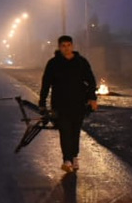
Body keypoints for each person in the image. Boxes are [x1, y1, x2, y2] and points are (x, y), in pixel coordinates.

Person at [38, 35, 97, 174]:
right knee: (64, 131)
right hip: (60, 104)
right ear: (59, 47)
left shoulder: (81, 62)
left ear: (73, 46)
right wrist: (42, 102)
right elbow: (46, 84)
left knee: (75, 131)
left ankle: (74, 157)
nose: (66, 48)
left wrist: (92, 98)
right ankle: (67, 160)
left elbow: (91, 81)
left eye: (69, 45)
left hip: (78, 104)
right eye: (63, 46)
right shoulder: (53, 63)